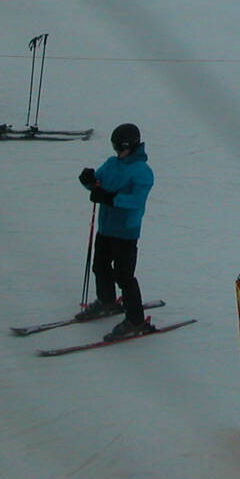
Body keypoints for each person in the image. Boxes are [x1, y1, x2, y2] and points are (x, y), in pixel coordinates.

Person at [77, 123, 156, 340]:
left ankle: (136, 320)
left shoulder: (142, 172)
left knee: (124, 276)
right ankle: (107, 301)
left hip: (126, 231)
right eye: (115, 148)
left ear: (130, 146)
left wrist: (110, 198)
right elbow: (98, 184)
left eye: (120, 148)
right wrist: (89, 181)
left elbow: (137, 201)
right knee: (100, 266)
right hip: (106, 227)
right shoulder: (112, 163)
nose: (117, 152)